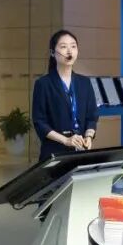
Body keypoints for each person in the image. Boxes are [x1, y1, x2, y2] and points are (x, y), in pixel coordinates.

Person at [31, 29, 99, 160]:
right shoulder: (43, 84)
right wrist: (66, 140)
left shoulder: (85, 82)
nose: (69, 51)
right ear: (52, 52)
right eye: (63, 47)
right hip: (54, 153)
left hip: (80, 151)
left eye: (73, 46)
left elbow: (92, 117)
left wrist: (89, 137)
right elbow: (40, 122)